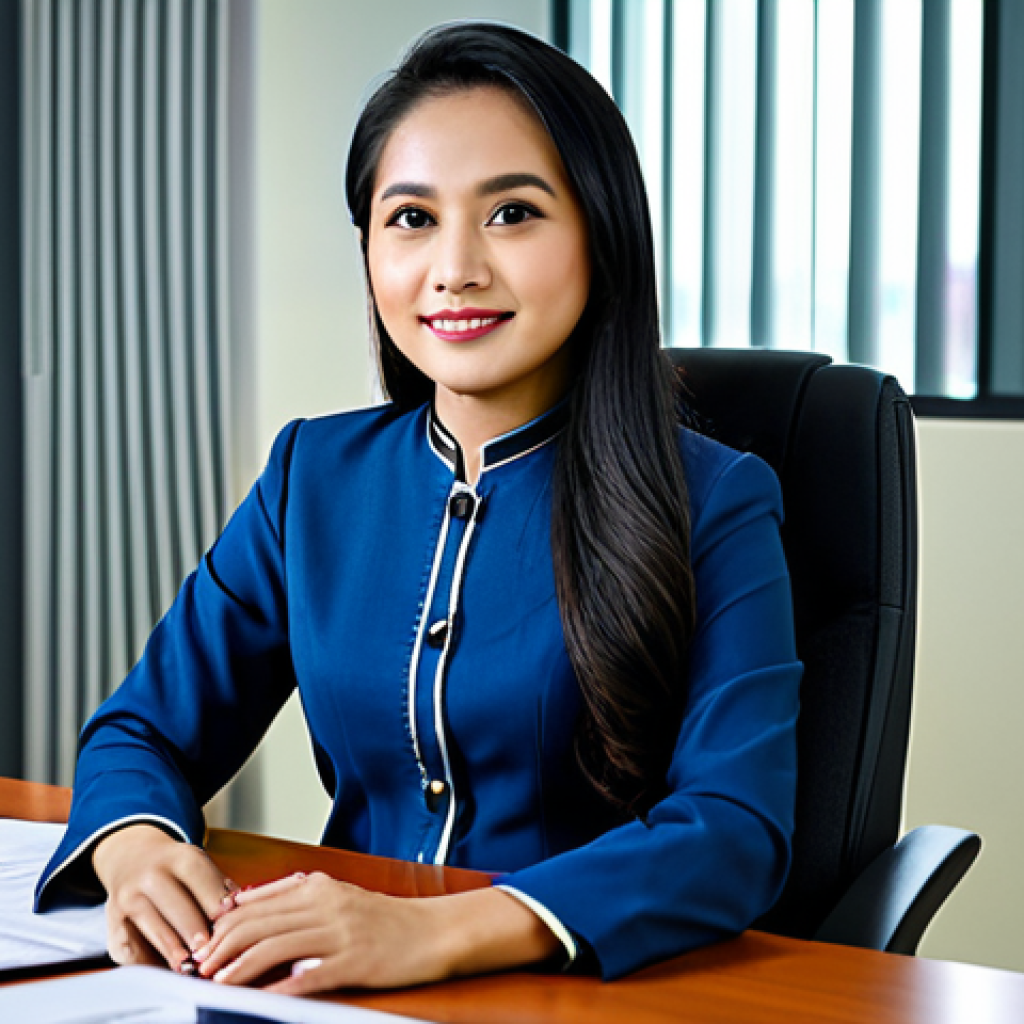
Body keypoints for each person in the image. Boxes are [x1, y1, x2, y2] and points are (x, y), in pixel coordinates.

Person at [36, 21, 801, 994]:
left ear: (601, 235)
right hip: (321, 988)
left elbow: (733, 828)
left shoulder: (717, 500)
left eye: (513, 213)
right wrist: (136, 848)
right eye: (410, 219)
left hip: (580, 991)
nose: (455, 268)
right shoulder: (311, 475)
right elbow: (140, 729)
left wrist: (432, 931)